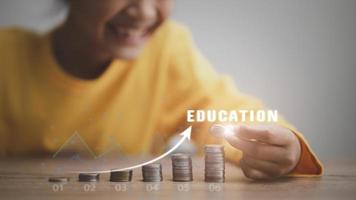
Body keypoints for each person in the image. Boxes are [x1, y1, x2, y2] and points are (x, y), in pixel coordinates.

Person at [0, 0, 322, 179]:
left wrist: (283, 141)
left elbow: (221, 107)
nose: (144, 11)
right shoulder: (7, 57)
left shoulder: (165, 49)